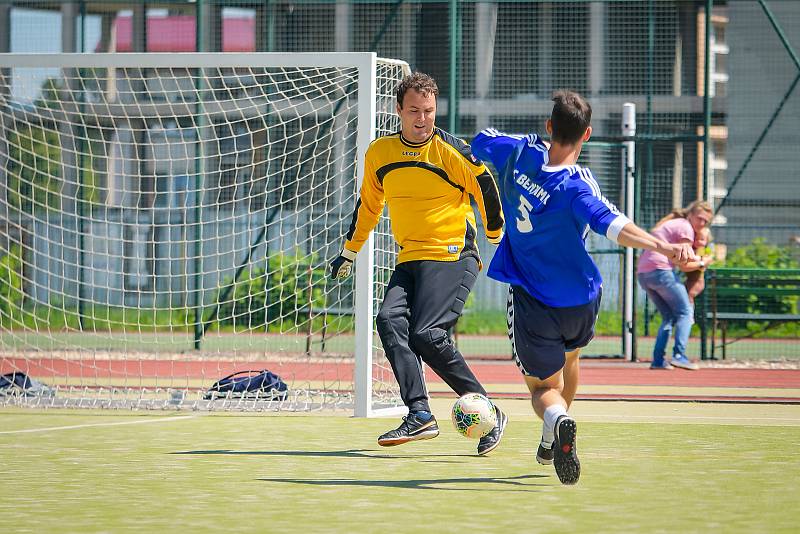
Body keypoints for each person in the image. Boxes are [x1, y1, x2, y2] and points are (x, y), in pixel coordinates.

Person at [471, 90, 695, 485]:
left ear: (548, 127)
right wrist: (664, 246)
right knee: (571, 360)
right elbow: (617, 227)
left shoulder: (518, 152)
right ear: (587, 134)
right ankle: (551, 437)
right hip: (582, 299)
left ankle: (557, 420)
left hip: (532, 299)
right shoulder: (578, 187)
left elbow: (480, 141)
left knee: (543, 389)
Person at [329, 72, 508, 455]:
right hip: (410, 256)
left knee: (427, 334)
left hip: (452, 253)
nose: (422, 119)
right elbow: (368, 206)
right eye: (414, 111)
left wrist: (496, 235)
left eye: (429, 111)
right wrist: (350, 250)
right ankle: (421, 412)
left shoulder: (453, 151)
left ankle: (488, 409)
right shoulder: (379, 153)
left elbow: (486, 186)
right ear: (398, 110)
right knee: (389, 320)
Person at [637, 200, 713, 371]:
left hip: (643, 274)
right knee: (685, 312)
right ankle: (680, 356)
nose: (701, 224)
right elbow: (684, 264)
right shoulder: (685, 227)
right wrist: (704, 261)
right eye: (699, 218)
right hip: (661, 272)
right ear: (690, 214)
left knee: (668, 317)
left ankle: (657, 360)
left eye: (705, 222)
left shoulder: (673, 223)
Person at [683, 227, 714, 305]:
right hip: (688, 279)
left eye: (702, 239)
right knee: (684, 296)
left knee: (689, 295)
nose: (698, 242)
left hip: (698, 280)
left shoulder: (704, 250)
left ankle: (689, 314)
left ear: (707, 241)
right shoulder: (692, 249)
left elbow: (709, 258)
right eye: (696, 239)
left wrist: (701, 259)